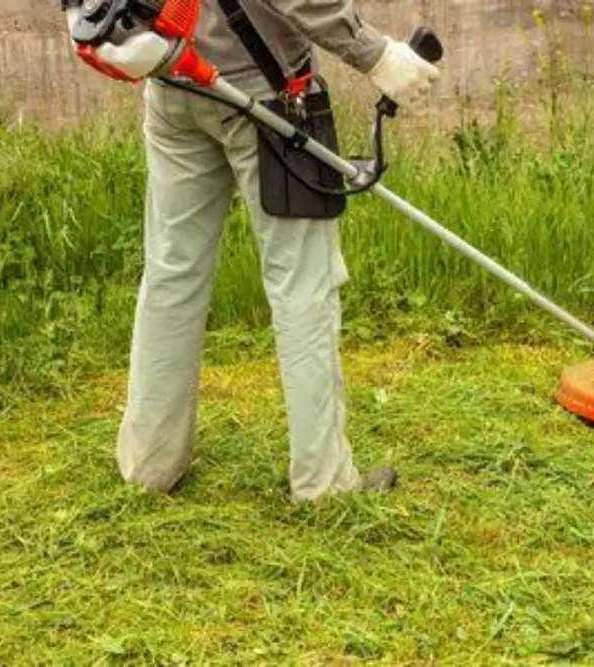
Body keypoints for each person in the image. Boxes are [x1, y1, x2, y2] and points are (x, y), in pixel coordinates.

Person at [64, 0, 440, 501]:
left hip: (171, 82)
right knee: (302, 284)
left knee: (172, 275)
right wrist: (376, 53)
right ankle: (325, 485)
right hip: (263, 91)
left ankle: (149, 466)